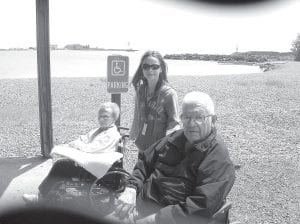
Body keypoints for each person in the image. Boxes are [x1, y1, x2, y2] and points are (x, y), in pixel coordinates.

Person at [109, 91, 236, 224]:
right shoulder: (174, 138)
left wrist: (155, 219)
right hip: (138, 206)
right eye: (186, 117)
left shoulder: (217, 158)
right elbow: (145, 163)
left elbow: (201, 206)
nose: (191, 123)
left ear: (213, 120)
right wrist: (131, 188)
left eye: (199, 117)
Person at [22, 102, 122, 204]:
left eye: (105, 117)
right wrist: (75, 143)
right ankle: (51, 192)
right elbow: (84, 138)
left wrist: (77, 146)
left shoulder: (111, 134)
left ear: (114, 118)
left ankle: (41, 198)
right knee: (61, 161)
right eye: (100, 117)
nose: (101, 119)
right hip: (89, 161)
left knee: (61, 166)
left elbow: (91, 148)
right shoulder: (99, 130)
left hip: (93, 167)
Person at [130, 50, 180, 153]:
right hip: (142, 147)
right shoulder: (141, 91)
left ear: (161, 68)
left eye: (154, 67)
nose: (150, 70)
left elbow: (174, 123)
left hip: (159, 149)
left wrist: (167, 146)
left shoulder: (169, 94)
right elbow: (137, 115)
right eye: (146, 66)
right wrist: (133, 135)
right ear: (142, 69)